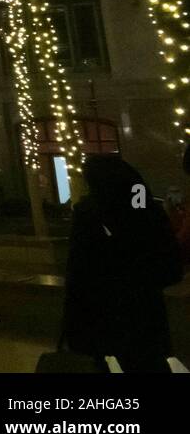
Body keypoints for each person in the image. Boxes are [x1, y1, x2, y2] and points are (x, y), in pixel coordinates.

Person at [62, 154, 183, 372]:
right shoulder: (147, 210)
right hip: (144, 310)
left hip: (101, 309)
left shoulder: (89, 213)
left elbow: (78, 269)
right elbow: (170, 264)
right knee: (148, 364)